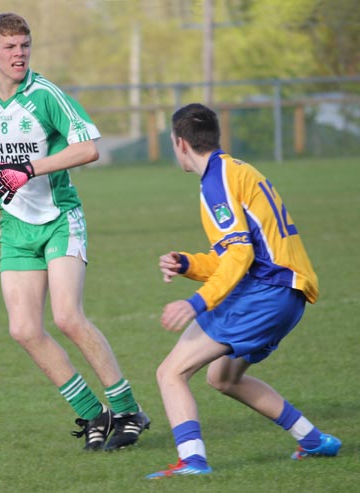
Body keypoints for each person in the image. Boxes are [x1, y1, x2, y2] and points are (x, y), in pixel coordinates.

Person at [0, 12, 149, 451]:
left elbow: (87, 149)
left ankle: (127, 410)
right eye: (10, 48)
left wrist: (27, 170)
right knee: (24, 329)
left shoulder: (46, 95)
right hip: (15, 227)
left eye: (25, 45)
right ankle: (93, 415)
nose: (20, 54)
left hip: (60, 219)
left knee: (67, 316)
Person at [146, 103, 341, 479]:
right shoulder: (237, 170)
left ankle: (192, 461)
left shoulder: (216, 182)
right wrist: (187, 264)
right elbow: (235, 255)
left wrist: (197, 302)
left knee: (170, 372)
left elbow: (240, 253)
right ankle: (314, 440)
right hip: (288, 294)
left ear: (180, 143)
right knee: (223, 377)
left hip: (265, 292)